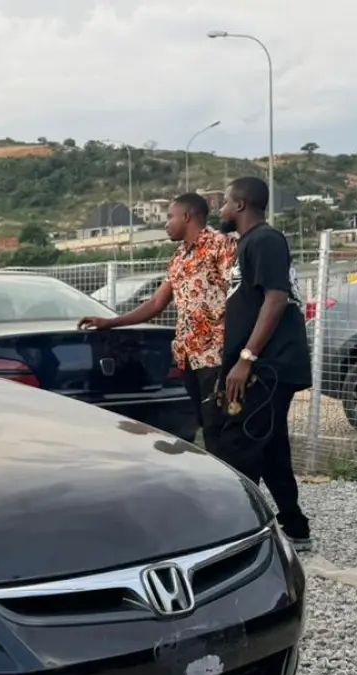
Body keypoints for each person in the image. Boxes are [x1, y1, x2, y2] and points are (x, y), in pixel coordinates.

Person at [78, 192, 236, 448]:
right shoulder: (179, 257)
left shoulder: (221, 246)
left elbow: (237, 295)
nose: (166, 223)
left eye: (170, 216)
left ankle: (237, 485)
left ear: (187, 217)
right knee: (207, 428)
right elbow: (156, 303)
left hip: (216, 356)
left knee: (223, 430)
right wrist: (111, 322)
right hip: (188, 356)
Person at [213, 176, 313, 552]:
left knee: (239, 446)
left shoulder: (266, 240)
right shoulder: (248, 244)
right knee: (269, 446)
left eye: (224, 202)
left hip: (268, 367)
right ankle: (296, 527)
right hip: (256, 366)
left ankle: (236, 535)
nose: (220, 209)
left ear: (240, 205)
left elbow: (276, 300)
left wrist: (246, 359)